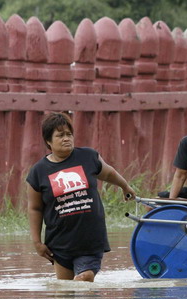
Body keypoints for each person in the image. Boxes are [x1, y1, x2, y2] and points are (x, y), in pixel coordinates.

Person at [26, 112, 136, 282]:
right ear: (48, 141)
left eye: (69, 134)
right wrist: (37, 243)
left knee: (84, 278)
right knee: (66, 294)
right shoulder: (38, 172)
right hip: (60, 243)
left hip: (90, 240)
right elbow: (35, 208)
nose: (66, 139)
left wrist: (125, 186)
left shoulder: (87, 157)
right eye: (60, 135)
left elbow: (109, 173)